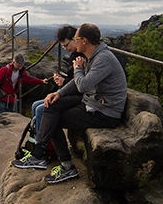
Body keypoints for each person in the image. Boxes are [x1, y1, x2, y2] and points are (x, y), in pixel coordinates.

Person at [11, 23, 127, 184]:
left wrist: (77, 68)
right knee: (51, 106)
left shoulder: (102, 59)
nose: (74, 41)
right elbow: (77, 84)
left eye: (76, 38)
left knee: (54, 117)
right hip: (93, 104)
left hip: (104, 112)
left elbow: (82, 85)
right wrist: (58, 93)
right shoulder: (93, 56)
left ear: (84, 41)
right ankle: (43, 156)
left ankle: (58, 163)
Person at [31, 25, 78, 137]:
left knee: (41, 109)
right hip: (69, 92)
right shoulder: (74, 56)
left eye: (66, 45)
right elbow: (73, 79)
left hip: (76, 95)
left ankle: (41, 144)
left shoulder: (81, 57)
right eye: (63, 47)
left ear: (75, 39)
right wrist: (62, 80)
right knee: (35, 105)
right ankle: (36, 138)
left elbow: (79, 83)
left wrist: (64, 82)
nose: (65, 49)